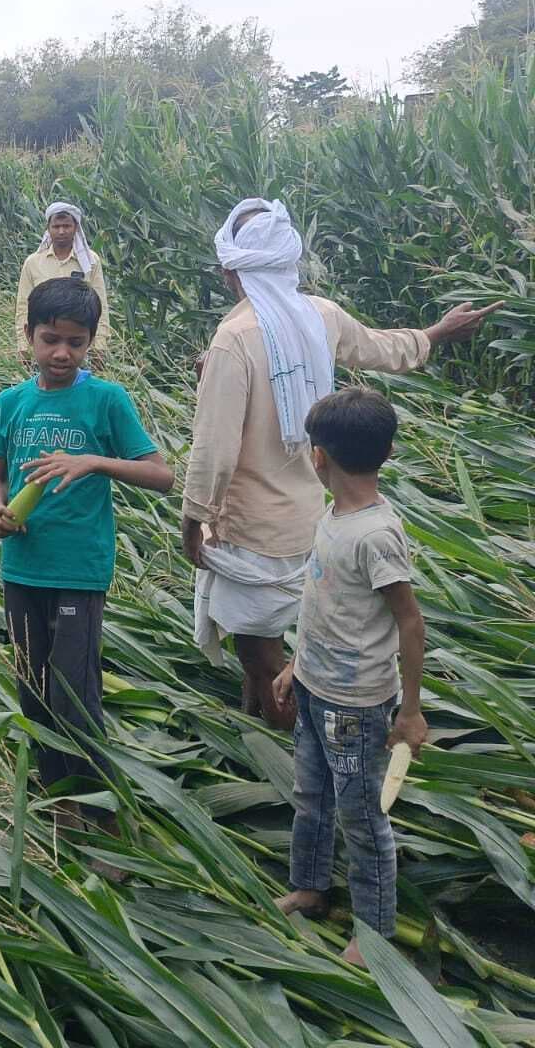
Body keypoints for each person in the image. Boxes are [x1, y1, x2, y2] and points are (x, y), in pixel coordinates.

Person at [184, 198, 501, 729]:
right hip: (312, 525)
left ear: (230, 270)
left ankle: (288, 760)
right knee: (283, 647)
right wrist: (436, 334)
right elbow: (379, 348)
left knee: (263, 661)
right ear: (289, 261)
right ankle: (266, 728)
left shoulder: (234, 338)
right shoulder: (319, 317)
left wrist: (193, 519)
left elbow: (214, 448)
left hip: (250, 533)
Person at [0, 278, 173, 837]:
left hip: (79, 571)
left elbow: (160, 476)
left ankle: (103, 812)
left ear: (91, 342)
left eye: (75, 342)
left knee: (74, 692)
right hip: (23, 566)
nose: (61, 353)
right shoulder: (10, 403)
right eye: (50, 340)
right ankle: (59, 800)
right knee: (32, 688)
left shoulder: (107, 400)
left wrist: (93, 461)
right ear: (29, 337)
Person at [270, 387, 427, 967]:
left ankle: (375, 934)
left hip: (357, 705)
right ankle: (310, 888)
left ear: (318, 456)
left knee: (363, 819)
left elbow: (410, 623)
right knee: (310, 795)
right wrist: (293, 664)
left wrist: (409, 710)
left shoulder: (376, 534)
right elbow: (322, 603)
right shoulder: (332, 514)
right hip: (314, 687)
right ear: (385, 451)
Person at [13, 202, 112, 358]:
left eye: (66, 226)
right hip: (46, 342)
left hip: (78, 343)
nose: (61, 231)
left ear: (76, 228)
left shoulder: (90, 261)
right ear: (48, 229)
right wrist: (23, 346)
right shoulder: (33, 262)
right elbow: (23, 306)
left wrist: (99, 345)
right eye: (56, 226)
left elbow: (101, 304)